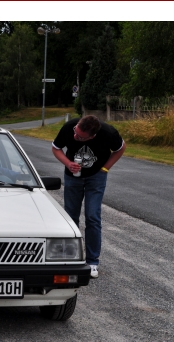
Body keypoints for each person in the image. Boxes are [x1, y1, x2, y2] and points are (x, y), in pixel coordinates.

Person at [51, 115, 126, 278]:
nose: (75, 136)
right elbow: (56, 148)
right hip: (73, 177)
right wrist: (67, 163)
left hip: (96, 177)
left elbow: (120, 148)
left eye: (80, 137)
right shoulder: (70, 127)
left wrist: (105, 169)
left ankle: (92, 261)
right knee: (71, 216)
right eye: (76, 132)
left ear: (93, 136)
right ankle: (70, 257)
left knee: (92, 216)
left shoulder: (108, 133)